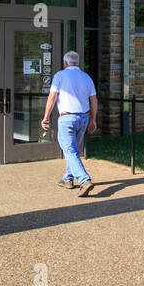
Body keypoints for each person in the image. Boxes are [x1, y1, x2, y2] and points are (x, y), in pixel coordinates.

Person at [41, 51, 98, 197]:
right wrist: (93, 119)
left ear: (65, 62)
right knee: (72, 150)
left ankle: (84, 180)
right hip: (83, 118)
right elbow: (93, 100)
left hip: (67, 118)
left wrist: (46, 117)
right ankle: (67, 179)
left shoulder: (59, 76)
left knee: (70, 150)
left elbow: (52, 97)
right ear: (77, 62)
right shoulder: (86, 77)